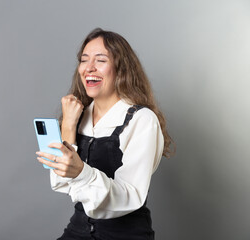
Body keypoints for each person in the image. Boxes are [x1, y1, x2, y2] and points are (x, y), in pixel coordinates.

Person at [36, 28, 174, 240]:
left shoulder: (141, 119)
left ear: (121, 68)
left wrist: (82, 172)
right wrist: (68, 127)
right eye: (84, 60)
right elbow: (60, 182)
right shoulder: (78, 116)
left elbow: (131, 195)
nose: (89, 67)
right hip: (78, 231)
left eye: (100, 60)